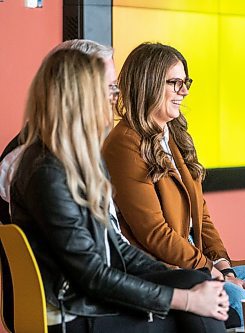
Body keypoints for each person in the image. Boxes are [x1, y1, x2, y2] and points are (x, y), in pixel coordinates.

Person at [9, 48, 229, 333]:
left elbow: (116, 248)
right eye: (110, 89)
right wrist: (186, 299)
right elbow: (92, 275)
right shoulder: (47, 172)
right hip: (75, 312)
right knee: (199, 315)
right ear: (81, 97)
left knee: (195, 285)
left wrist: (187, 279)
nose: (115, 99)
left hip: (92, 300)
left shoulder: (77, 160)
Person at [102, 42, 245, 324]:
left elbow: (200, 212)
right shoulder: (125, 143)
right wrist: (210, 270)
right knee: (239, 301)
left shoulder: (173, 134)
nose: (185, 91)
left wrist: (223, 264)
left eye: (185, 82)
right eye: (175, 83)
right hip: (168, 269)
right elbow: (154, 234)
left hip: (199, 260)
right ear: (149, 84)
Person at [0, 39, 118, 225]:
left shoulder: (80, 151)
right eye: (108, 87)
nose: (113, 97)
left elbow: (110, 239)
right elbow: (82, 250)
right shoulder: (32, 163)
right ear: (73, 88)